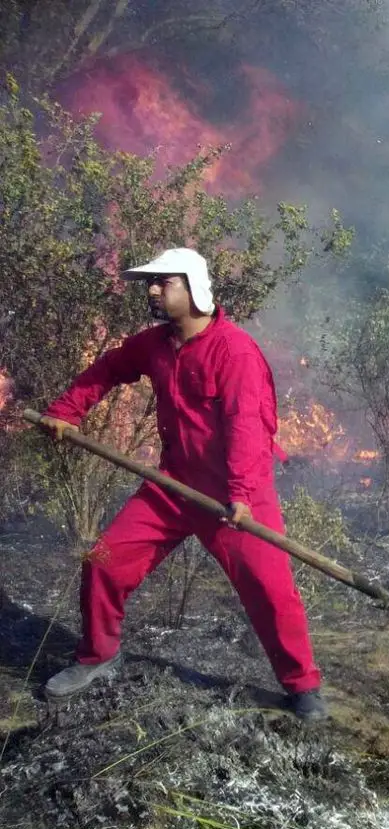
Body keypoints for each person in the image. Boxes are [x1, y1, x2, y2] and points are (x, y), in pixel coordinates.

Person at [37, 247, 328, 722]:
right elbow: (108, 369)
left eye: (163, 282)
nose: (151, 291)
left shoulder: (234, 351)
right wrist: (65, 412)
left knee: (270, 589)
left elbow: (247, 428)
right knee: (104, 563)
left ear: (194, 289)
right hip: (172, 485)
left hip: (236, 494)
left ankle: (302, 685)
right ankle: (97, 656)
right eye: (150, 283)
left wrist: (238, 494)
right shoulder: (155, 344)